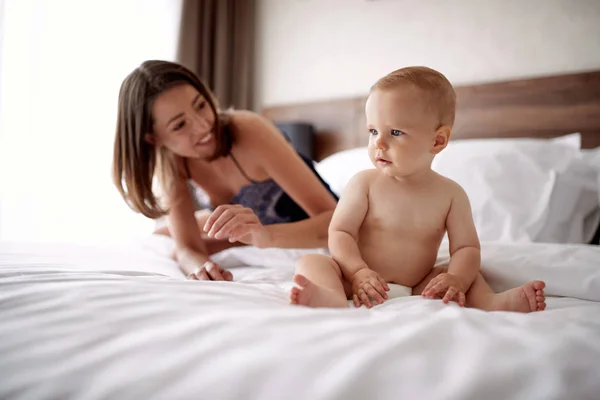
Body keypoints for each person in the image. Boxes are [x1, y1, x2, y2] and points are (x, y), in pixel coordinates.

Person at [289, 66, 547, 313]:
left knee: (465, 274)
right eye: (373, 131)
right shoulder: (364, 183)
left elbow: (466, 248)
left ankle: (491, 303)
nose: (379, 142)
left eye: (396, 131)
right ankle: (331, 297)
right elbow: (340, 232)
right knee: (312, 263)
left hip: (419, 286)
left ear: (437, 140)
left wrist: (456, 278)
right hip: (357, 282)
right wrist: (357, 272)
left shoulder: (451, 194)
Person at [112, 60, 338, 281]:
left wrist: (264, 236)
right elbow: (187, 249)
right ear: (154, 139)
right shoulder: (172, 162)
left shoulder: (249, 130)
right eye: (180, 125)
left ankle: (206, 223)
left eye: (200, 105)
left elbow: (335, 221)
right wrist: (203, 268)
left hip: (312, 226)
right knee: (164, 236)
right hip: (251, 235)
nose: (203, 126)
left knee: (179, 233)